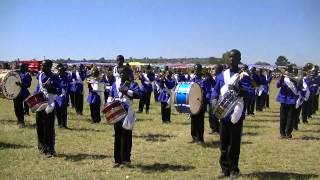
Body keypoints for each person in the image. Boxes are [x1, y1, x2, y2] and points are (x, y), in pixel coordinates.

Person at [211, 49, 248, 177]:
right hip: (223, 112)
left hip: (236, 113)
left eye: (234, 57)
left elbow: (249, 92)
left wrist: (239, 89)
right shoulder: (222, 75)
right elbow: (215, 90)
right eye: (230, 57)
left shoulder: (243, 75)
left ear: (239, 59)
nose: (231, 59)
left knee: (234, 143)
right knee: (223, 143)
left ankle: (234, 169)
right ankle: (224, 169)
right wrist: (214, 99)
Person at [108, 64, 140, 167]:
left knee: (126, 136)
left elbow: (138, 94)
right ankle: (117, 160)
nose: (121, 75)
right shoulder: (115, 84)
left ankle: (126, 160)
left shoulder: (132, 84)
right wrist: (109, 104)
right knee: (117, 136)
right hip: (117, 111)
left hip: (127, 111)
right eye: (120, 73)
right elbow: (110, 95)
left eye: (124, 73)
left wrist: (127, 91)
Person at [34, 60, 61, 157]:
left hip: (50, 103)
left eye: (44, 65)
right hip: (40, 103)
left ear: (49, 67)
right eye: (42, 65)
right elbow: (38, 88)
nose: (42, 66)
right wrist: (34, 99)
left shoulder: (54, 76)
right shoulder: (40, 76)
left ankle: (50, 149)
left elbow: (59, 90)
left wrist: (50, 87)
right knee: (40, 125)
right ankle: (41, 147)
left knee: (49, 126)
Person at [276, 65, 300, 139]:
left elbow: (298, 87)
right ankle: (282, 133)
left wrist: (290, 77)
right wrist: (282, 77)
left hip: (292, 100)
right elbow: (277, 85)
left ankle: (288, 133)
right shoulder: (283, 78)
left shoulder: (295, 78)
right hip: (283, 100)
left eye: (287, 70)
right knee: (282, 118)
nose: (286, 71)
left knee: (290, 118)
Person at [189, 64, 206, 143]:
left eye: (198, 69)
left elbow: (205, 89)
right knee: (193, 120)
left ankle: (200, 138)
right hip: (193, 102)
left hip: (201, 102)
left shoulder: (203, 79)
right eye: (195, 69)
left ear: (200, 70)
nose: (196, 70)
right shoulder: (192, 79)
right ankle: (194, 137)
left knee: (200, 120)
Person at [13, 63, 32, 128]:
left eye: (22, 67)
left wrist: (21, 84)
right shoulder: (16, 73)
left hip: (22, 93)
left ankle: (21, 121)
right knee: (16, 107)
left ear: (25, 67)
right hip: (15, 93)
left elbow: (28, 85)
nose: (20, 68)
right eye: (20, 66)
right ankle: (18, 120)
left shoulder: (27, 75)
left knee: (20, 107)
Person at [55, 63, 69, 128]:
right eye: (58, 71)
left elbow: (65, 88)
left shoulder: (65, 78)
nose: (59, 72)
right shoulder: (56, 77)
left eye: (60, 71)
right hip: (56, 96)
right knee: (57, 111)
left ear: (63, 72)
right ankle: (59, 123)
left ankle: (64, 124)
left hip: (63, 96)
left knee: (63, 112)